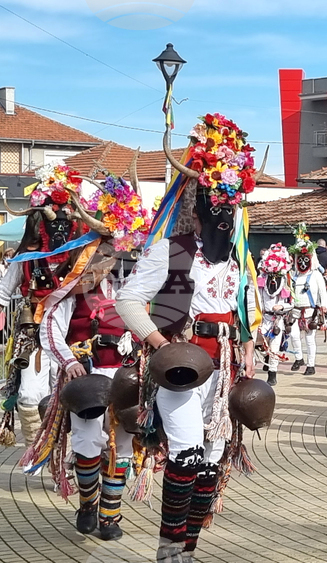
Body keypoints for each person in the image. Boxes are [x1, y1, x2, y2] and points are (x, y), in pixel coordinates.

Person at [115, 112, 263, 562]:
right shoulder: (170, 251)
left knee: (213, 460)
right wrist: (159, 343)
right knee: (185, 454)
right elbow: (127, 300)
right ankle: (168, 550)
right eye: (213, 209)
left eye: (229, 211)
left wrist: (252, 350)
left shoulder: (239, 261)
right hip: (180, 368)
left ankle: (189, 549)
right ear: (196, 213)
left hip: (224, 375)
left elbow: (249, 312)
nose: (222, 219)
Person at [23, 170, 148, 542]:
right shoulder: (74, 288)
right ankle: (87, 504)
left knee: (123, 442)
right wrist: (70, 361)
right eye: (107, 251)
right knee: (89, 443)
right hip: (87, 378)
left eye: (119, 252)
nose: (114, 258)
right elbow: (49, 328)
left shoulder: (137, 288)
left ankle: (111, 516)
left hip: (125, 378)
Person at [0, 164, 85, 446]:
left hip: (73, 338)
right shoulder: (27, 258)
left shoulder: (83, 259)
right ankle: (37, 449)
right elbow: (3, 292)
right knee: (28, 395)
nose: (59, 230)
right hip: (34, 335)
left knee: (68, 393)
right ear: (41, 223)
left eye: (65, 223)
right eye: (53, 223)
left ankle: (67, 453)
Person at [287, 225, 327, 376]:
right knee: (293, 335)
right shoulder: (293, 274)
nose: (302, 262)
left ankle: (311, 364)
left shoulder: (316, 274)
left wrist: (323, 305)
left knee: (309, 338)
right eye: (300, 259)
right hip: (295, 310)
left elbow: (323, 291)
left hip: (310, 310)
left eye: (305, 259)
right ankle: (299, 358)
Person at [258, 244, 293, 386]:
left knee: (274, 347)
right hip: (263, 318)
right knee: (256, 345)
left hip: (277, 320)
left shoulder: (285, 281)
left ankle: (272, 374)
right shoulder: (261, 280)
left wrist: (282, 306)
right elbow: (257, 298)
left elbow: (291, 302)